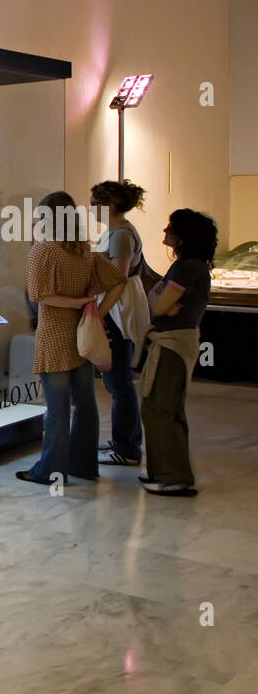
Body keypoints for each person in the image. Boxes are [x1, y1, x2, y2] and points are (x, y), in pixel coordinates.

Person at [18, 191, 126, 487]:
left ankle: (50, 470)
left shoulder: (43, 250)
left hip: (54, 334)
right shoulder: (84, 250)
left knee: (57, 408)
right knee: (86, 403)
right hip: (82, 333)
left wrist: (78, 303)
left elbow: (39, 295)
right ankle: (84, 465)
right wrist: (97, 310)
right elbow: (119, 281)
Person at [140, 209, 217, 496]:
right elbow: (155, 300)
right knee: (164, 407)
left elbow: (157, 305)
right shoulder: (189, 266)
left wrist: (160, 298)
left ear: (184, 235)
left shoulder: (187, 268)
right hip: (173, 342)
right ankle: (166, 471)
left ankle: (172, 476)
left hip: (172, 345)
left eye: (170, 227)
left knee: (161, 407)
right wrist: (159, 298)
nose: (165, 231)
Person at [89, 180, 150, 466]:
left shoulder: (121, 235)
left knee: (118, 382)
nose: (90, 207)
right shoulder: (116, 232)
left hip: (117, 311)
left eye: (94, 202)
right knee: (117, 382)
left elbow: (117, 278)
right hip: (115, 308)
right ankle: (123, 441)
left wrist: (100, 312)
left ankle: (127, 447)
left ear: (110, 205)